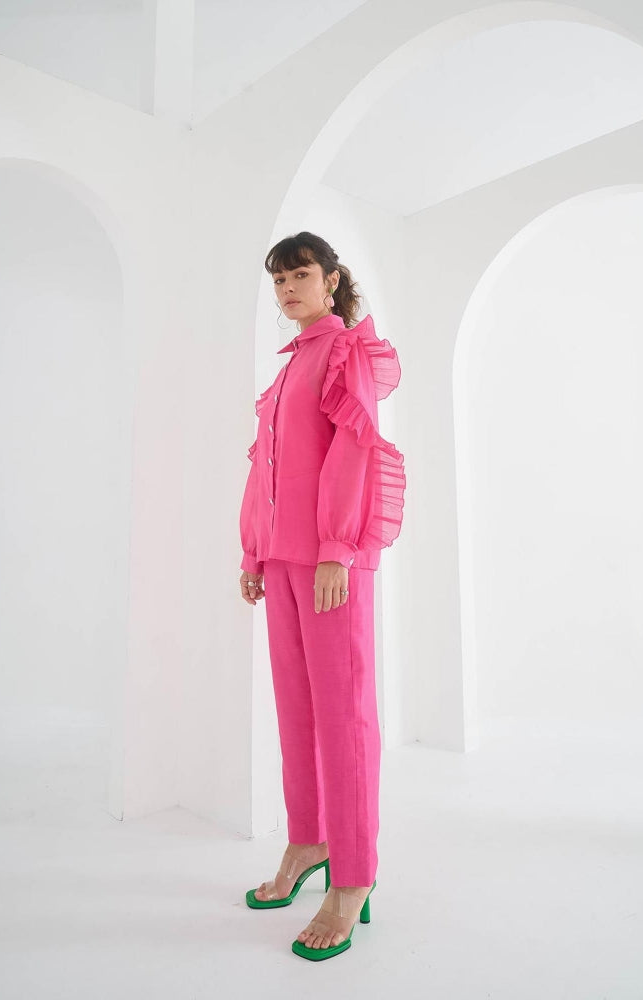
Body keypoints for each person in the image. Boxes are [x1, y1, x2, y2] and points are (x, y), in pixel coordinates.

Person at [238, 231, 406, 960]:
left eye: (300, 275)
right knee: (297, 710)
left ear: (331, 280)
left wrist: (337, 547)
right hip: (282, 562)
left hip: (330, 563)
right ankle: (308, 841)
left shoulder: (345, 352)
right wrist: (253, 549)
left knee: (344, 715)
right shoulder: (288, 368)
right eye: (279, 280)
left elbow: (352, 451)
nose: (287, 290)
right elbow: (265, 468)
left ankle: (355, 875)